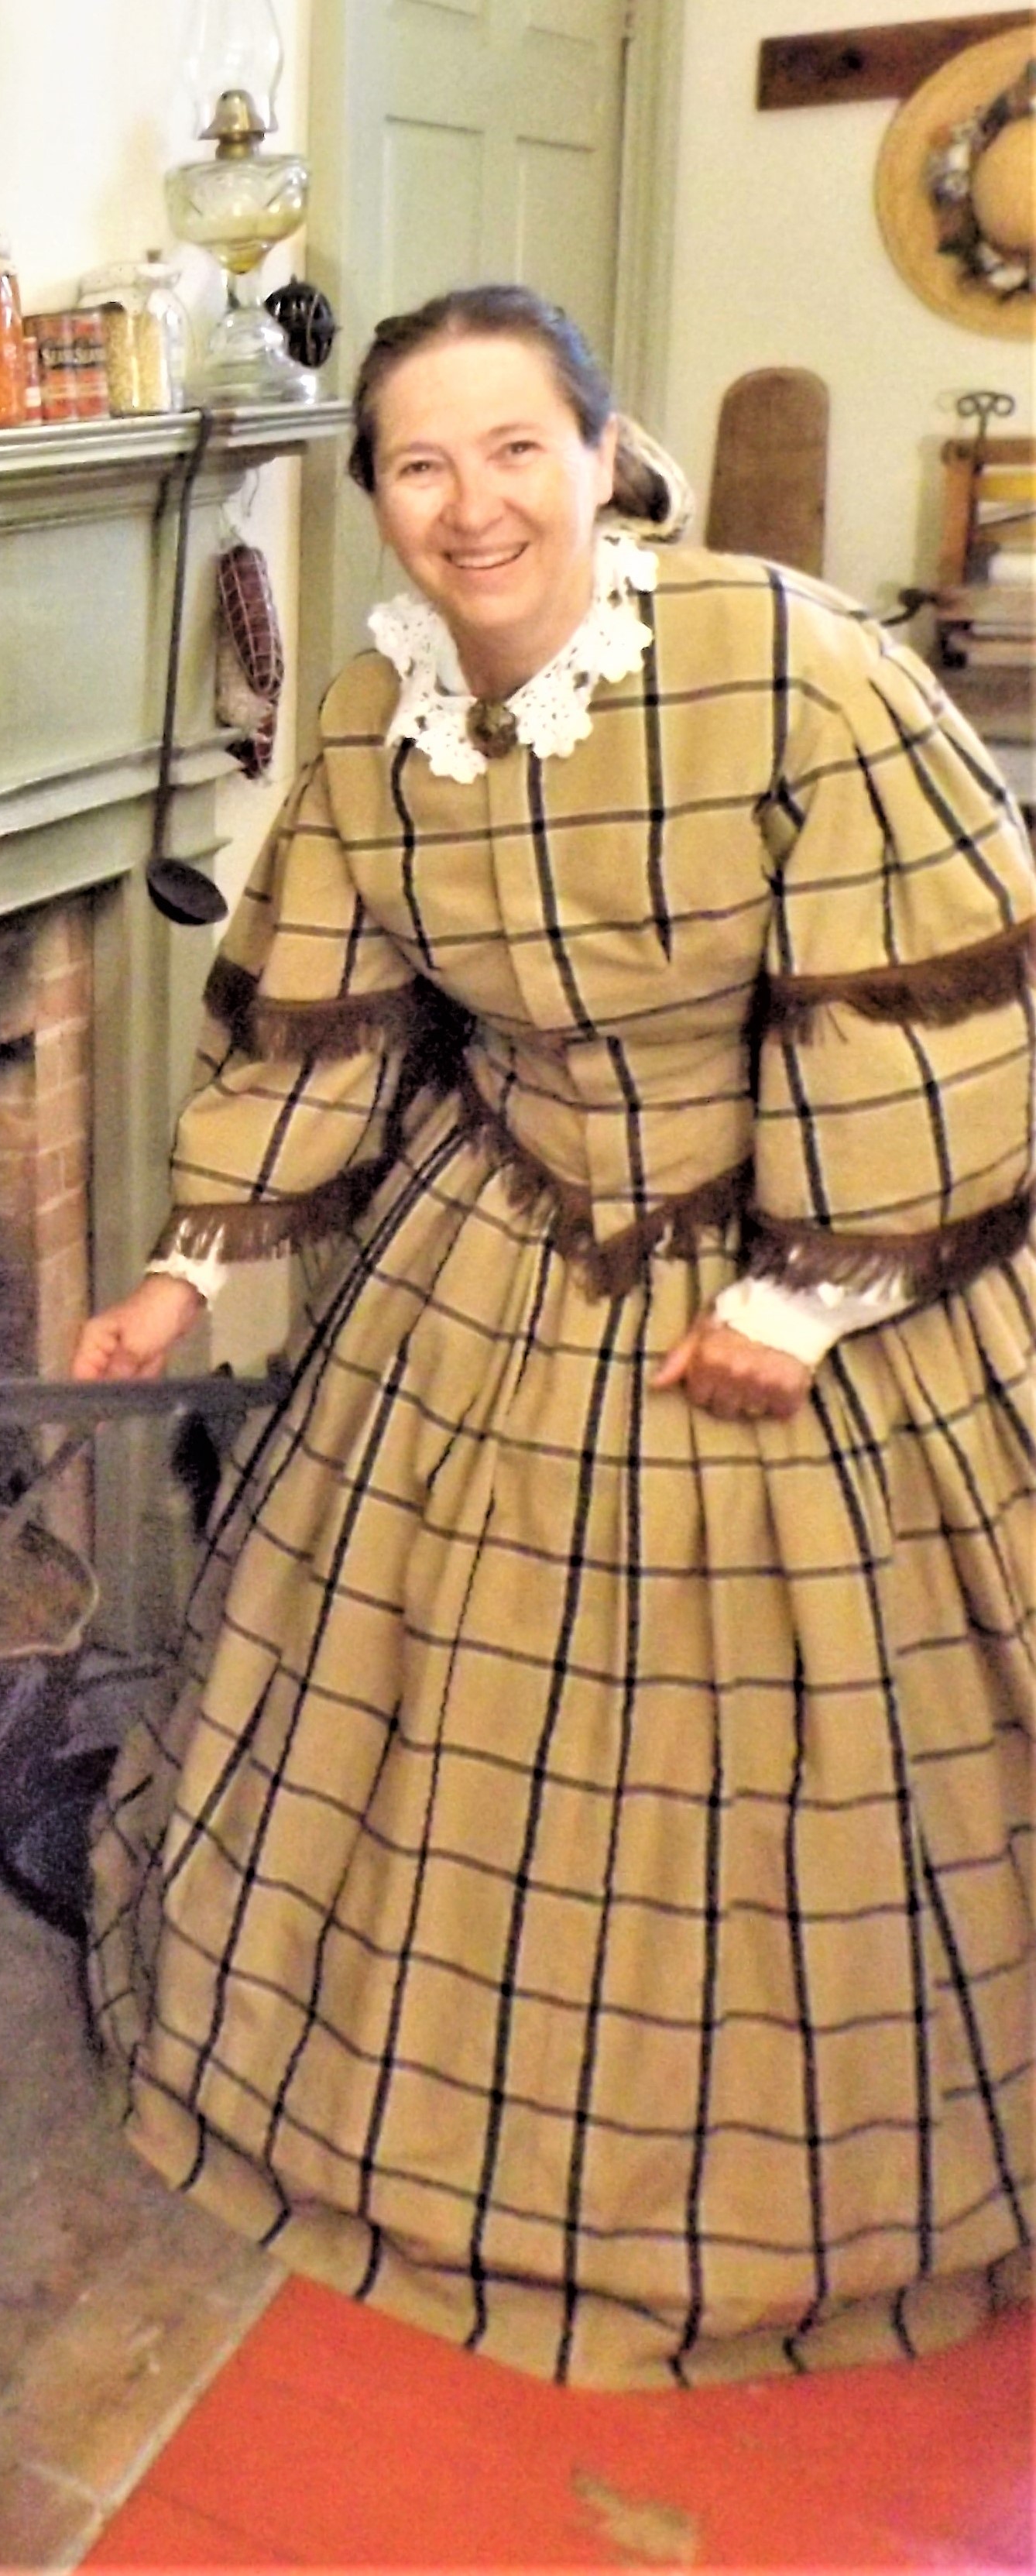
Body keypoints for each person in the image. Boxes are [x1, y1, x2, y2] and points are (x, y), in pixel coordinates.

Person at [73, 284, 1033, 2388]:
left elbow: (911, 996)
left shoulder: (784, 662)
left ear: (604, 456)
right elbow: (320, 1004)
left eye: (515, 448)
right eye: (418, 463)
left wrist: (810, 1287)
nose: (470, 503)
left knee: (784, 1760)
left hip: (792, 1265)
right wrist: (188, 1264)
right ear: (373, 500)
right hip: (499, 1237)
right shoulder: (365, 719)